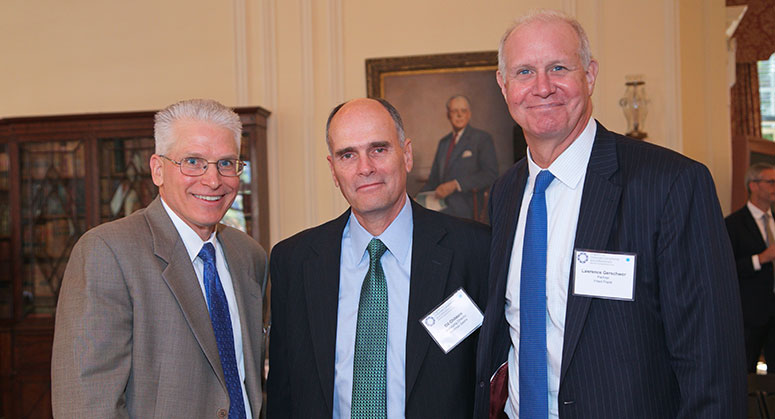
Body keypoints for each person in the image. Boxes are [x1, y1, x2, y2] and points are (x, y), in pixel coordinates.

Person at [474, 10, 746, 418]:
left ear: (591, 73)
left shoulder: (670, 185)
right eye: (525, 71)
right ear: (503, 84)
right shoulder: (505, 194)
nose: (542, 87)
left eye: (559, 68)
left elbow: (711, 364)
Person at [266, 98, 490, 418]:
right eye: (348, 154)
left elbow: (496, 383)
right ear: (333, 169)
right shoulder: (294, 261)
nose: (365, 167)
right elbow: (283, 394)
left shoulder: (475, 250)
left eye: (378, 149)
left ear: (406, 155)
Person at [51, 99, 267, 418]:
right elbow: (87, 404)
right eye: (193, 161)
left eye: (226, 163)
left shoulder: (249, 255)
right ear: (157, 169)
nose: (212, 180)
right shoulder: (107, 252)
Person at [726, 163, 775, 373]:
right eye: (771, 182)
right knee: (744, 371)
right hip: (750, 313)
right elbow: (727, 269)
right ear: (753, 186)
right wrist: (760, 259)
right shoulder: (733, 224)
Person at [421, 95, 498, 219]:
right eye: (454, 111)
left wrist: (456, 184)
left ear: (469, 114)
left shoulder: (482, 139)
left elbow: (490, 175)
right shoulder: (443, 143)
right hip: (439, 206)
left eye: (463, 111)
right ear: (448, 115)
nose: (459, 115)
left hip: (467, 207)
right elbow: (433, 180)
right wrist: (418, 199)